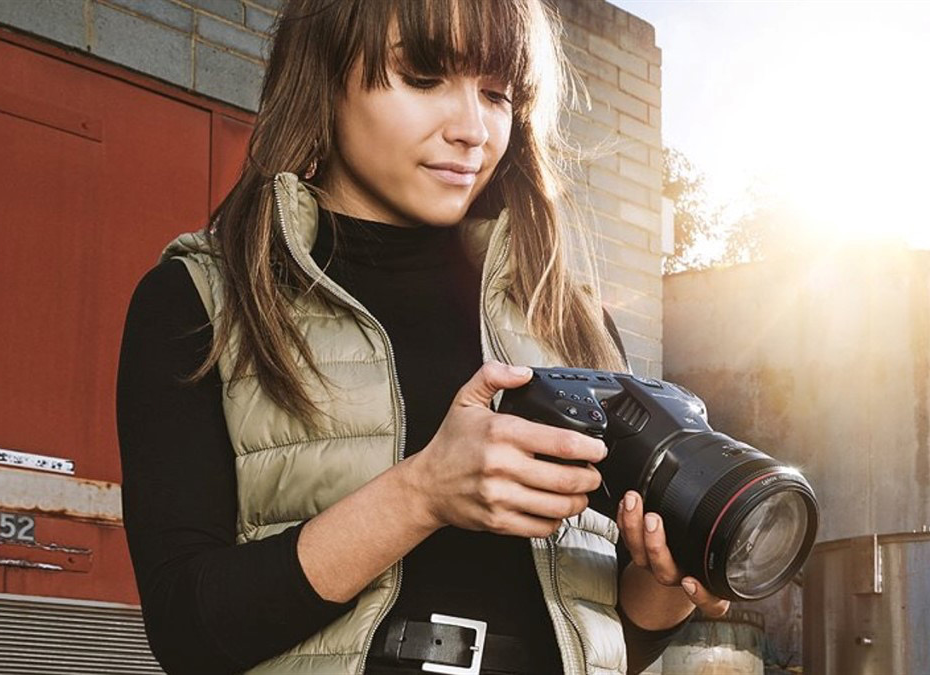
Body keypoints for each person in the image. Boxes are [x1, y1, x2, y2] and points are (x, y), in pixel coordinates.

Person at [116, 1, 729, 673]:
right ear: (323, 78)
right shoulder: (204, 300)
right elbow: (186, 632)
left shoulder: (568, 320)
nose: (472, 129)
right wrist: (422, 494)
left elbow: (608, 638)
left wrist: (667, 586)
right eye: (423, 77)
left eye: (497, 94)